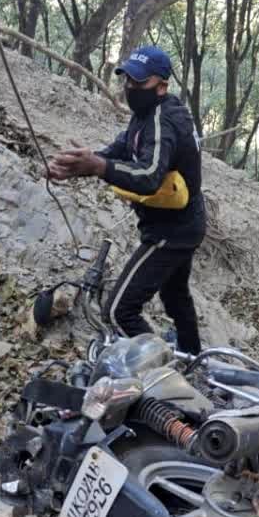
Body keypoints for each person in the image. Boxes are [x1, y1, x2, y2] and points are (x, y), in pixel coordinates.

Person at [47, 46, 207, 355]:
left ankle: (163, 370)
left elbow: (148, 174)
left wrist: (98, 166)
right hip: (179, 224)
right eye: (127, 81)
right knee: (175, 298)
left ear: (162, 85)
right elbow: (119, 151)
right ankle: (192, 360)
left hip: (172, 232)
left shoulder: (165, 120)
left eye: (139, 82)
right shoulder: (144, 116)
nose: (131, 88)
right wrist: (77, 167)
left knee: (119, 310)